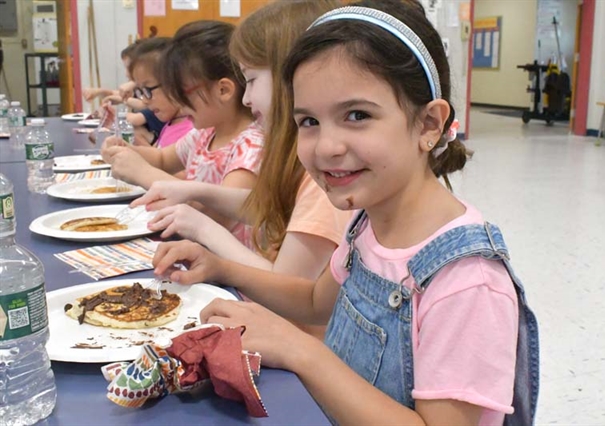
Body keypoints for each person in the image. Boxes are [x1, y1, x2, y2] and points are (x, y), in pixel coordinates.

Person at [151, 1, 539, 425]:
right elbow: (318, 301)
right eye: (309, 121)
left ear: (428, 124)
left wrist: (302, 352)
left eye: (357, 115)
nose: (326, 147)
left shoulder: (466, 281)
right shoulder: (369, 221)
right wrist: (222, 268)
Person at [131, 0, 348, 283]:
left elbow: (286, 286)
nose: (246, 99)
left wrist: (202, 228)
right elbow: (266, 207)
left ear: (291, 77)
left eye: (252, 80)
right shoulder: (293, 154)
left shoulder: (325, 175)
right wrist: (195, 192)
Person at [102, 20, 263, 248]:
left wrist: (142, 173)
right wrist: (125, 150)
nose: (177, 101)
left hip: (228, 272)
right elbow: (163, 159)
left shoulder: (251, 146)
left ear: (223, 90)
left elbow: (217, 218)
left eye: (181, 91)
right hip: (193, 250)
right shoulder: (204, 134)